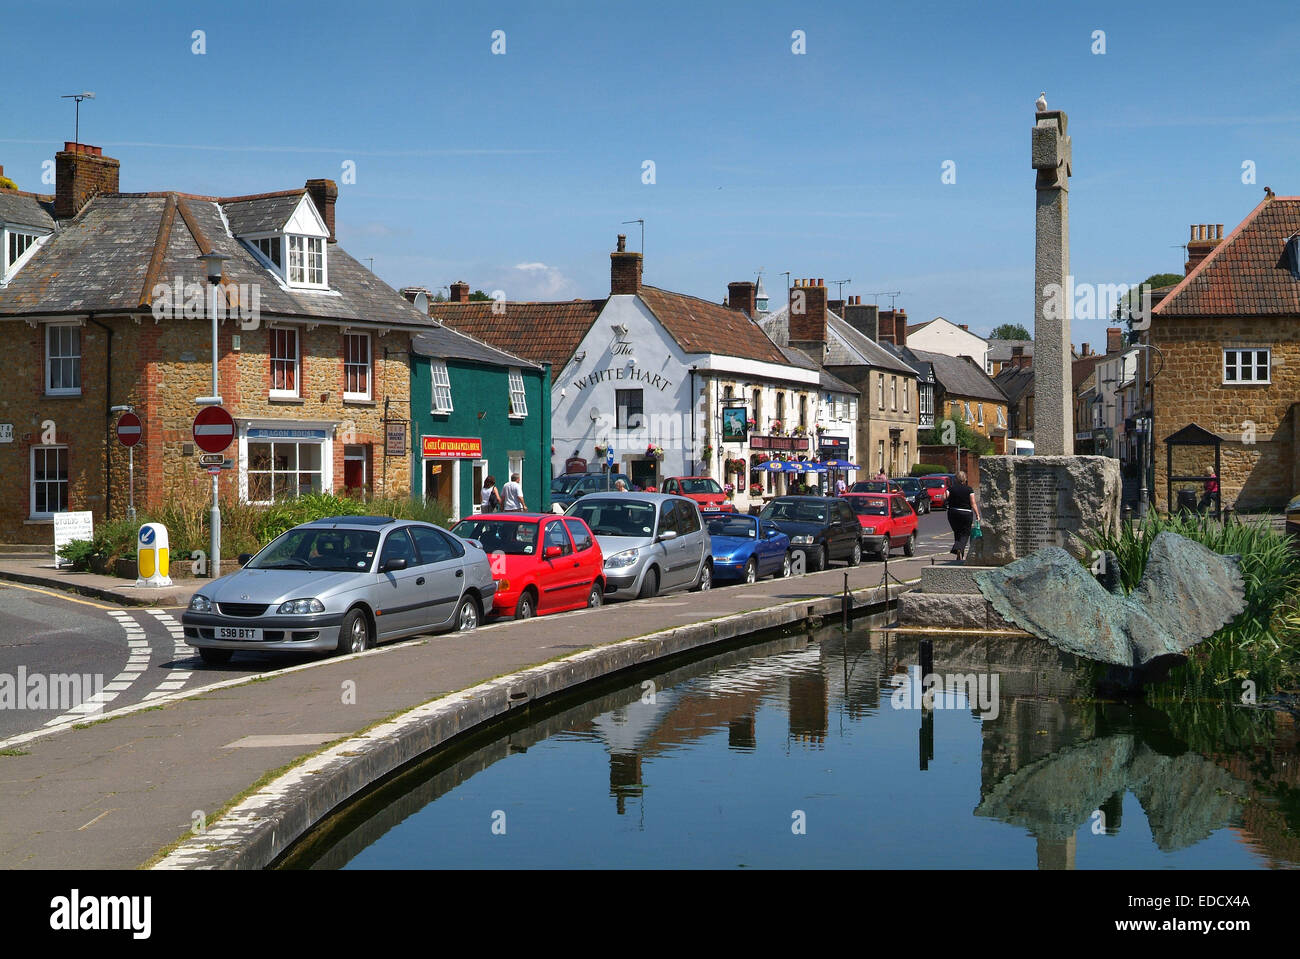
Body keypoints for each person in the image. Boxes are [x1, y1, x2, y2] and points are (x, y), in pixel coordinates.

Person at [946, 470, 981, 562]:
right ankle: (959, 549)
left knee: (957, 532)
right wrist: (977, 514)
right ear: (965, 479)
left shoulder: (951, 488)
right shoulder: (969, 489)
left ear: (956, 479)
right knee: (965, 533)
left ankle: (959, 554)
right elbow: (973, 503)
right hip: (966, 513)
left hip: (953, 512)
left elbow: (944, 497)